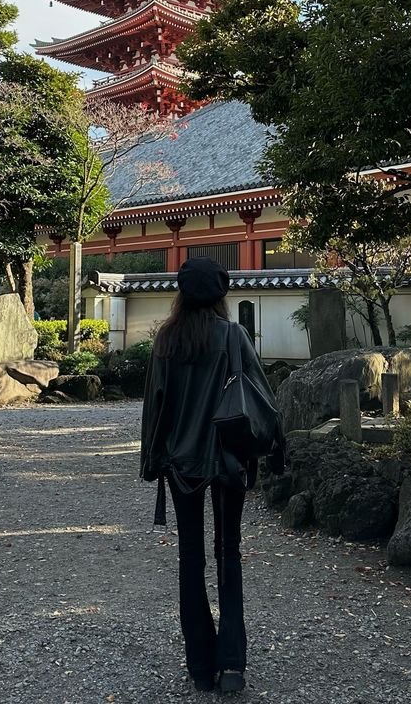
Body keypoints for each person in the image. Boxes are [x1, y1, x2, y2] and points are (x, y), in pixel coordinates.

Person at [140, 257, 283, 694]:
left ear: (181, 294)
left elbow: (155, 407)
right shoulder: (234, 336)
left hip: (182, 465)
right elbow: (262, 397)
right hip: (228, 461)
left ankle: (200, 666)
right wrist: (274, 449)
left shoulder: (167, 340)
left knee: (190, 560)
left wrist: (152, 459)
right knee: (229, 555)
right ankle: (233, 665)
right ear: (221, 294)